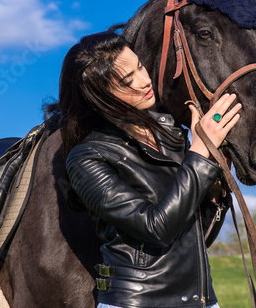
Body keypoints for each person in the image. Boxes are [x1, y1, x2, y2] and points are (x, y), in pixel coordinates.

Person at [60, 31, 241, 308]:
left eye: (140, 67)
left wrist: (214, 193)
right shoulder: (87, 158)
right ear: (100, 97)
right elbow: (157, 228)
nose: (145, 81)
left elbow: (194, 237)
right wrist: (200, 152)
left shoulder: (173, 136)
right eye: (127, 80)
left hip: (202, 301)